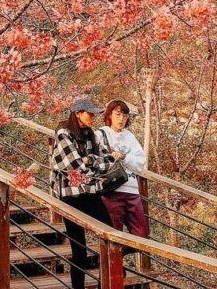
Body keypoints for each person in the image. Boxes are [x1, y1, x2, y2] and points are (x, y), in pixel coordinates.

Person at [51, 97, 121, 289]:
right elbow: (75, 167)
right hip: (70, 195)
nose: (93, 117)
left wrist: (89, 160)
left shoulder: (93, 135)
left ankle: (104, 284)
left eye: (94, 113)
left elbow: (109, 162)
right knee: (79, 249)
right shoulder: (63, 133)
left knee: (110, 234)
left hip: (90, 193)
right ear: (77, 113)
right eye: (89, 113)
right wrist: (90, 165)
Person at [97, 99, 150, 240]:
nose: (121, 119)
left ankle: (117, 255)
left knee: (142, 237)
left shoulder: (130, 137)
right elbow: (94, 159)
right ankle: (111, 260)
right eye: (117, 114)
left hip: (132, 190)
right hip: (112, 190)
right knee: (114, 237)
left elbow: (140, 164)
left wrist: (124, 157)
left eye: (125, 116)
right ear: (109, 115)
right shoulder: (101, 134)